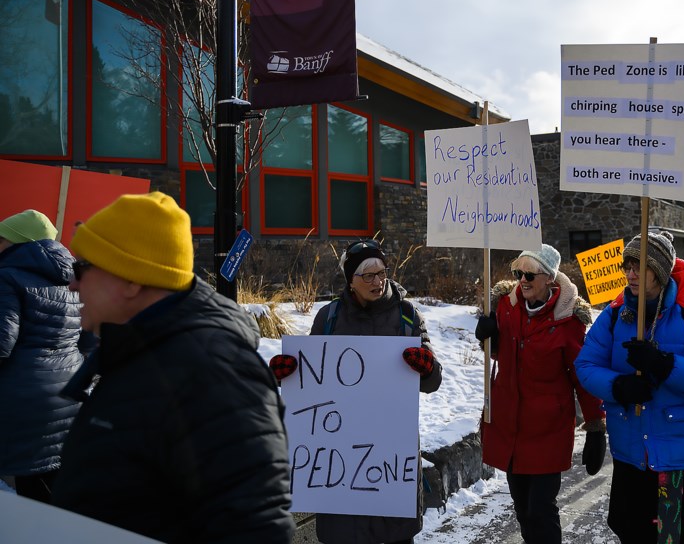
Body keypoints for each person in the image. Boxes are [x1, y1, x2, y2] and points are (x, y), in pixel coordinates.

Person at [52, 192, 295, 543]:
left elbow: (255, 529)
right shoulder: (149, 354)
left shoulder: (211, 371)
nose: (72, 284)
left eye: (83, 267)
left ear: (132, 278)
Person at [575, 231, 684, 544]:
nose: (630, 274)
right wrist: (619, 387)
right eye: (628, 266)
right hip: (631, 455)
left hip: (678, 459)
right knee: (633, 533)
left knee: (677, 538)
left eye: (640, 267)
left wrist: (666, 364)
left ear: (659, 272)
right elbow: (586, 365)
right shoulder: (613, 314)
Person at [308, 239, 442, 544]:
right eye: (367, 275)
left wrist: (426, 367)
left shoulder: (407, 317)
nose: (377, 281)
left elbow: (432, 383)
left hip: (389, 462)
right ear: (350, 281)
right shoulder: (328, 319)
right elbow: (312, 382)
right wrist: (290, 371)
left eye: (381, 272)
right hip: (340, 463)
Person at [473, 244, 606, 544]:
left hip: (548, 430)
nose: (523, 280)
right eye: (519, 272)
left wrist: (596, 425)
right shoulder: (506, 308)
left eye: (531, 274)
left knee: (541, 510)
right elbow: (500, 357)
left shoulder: (567, 321)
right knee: (522, 509)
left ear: (549, 278)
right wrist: (487, 337)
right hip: (511, 428)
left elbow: (581, 376)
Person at [0, 210, 87, 504]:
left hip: (21, 402)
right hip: (69, 394)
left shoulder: (7, 277)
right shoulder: (73, 279)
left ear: (17, 243)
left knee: (27, 501)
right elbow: (89, 338)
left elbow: (1, 342)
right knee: (55, 488)